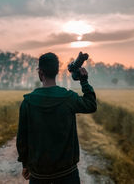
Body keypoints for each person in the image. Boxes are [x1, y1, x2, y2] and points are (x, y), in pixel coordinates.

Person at [16, 52, 97, 184]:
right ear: (57, 72)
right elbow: (91, 105)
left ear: (40, 73)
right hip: (68, 175)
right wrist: (84, 81)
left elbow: (22, 139)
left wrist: (25, 164)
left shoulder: (27, 102)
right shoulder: (69, 98)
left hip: (39, 177)